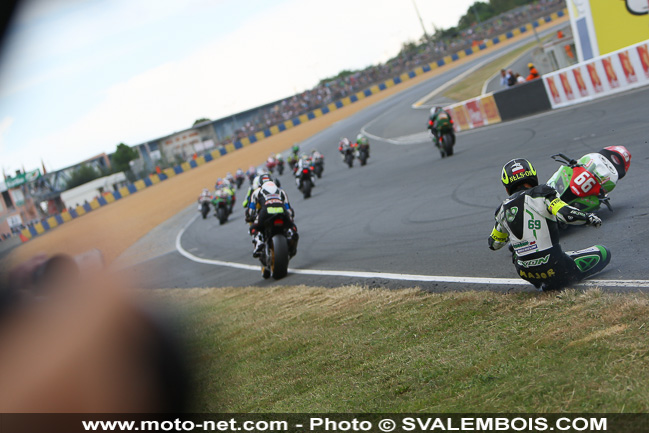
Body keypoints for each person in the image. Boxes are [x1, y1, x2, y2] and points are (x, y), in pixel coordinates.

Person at [488, 159, 610, 291]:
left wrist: (509, 231)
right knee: (603, 252)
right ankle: (559, 278)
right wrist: (588, 218)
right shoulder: (543, 193)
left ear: (507, 187)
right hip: (554, 265)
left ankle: (543, 281)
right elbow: (566, 215)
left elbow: (494, 244)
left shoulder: (502, 209)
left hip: (525, 272)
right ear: (533, 176)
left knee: (517, 251)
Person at [245, 180, 298, 258]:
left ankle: (259, 240)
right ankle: (292, 239)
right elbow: (289, 209)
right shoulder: (281, 191)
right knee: (293, 228)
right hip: (281, 211)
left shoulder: (257, 192)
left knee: (253, 228)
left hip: (266, 212)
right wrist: (290, 219)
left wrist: (249, 218)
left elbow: (251, 211)